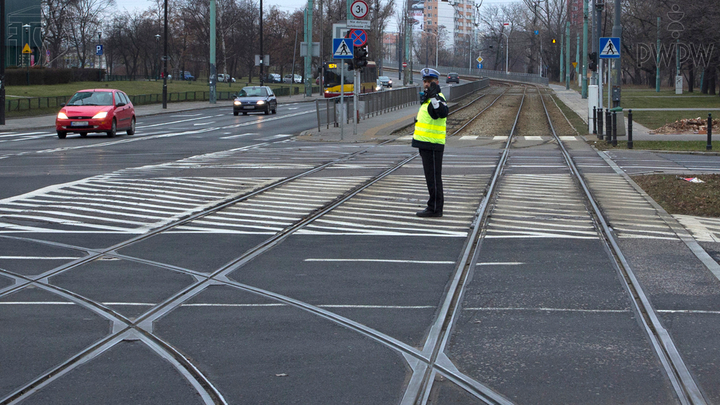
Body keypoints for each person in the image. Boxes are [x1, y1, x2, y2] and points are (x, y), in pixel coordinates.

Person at [412, 68, 449, 218]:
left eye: (430, 81)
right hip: (425, 144)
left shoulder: (438, 98)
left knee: (434, 177)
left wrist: (433, 98)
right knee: (431, 177)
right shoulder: (427, 98)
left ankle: (435, 208)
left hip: (433, 144)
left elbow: (443, 112)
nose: (427, 84)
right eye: (425, 81)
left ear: (437, 82)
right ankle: (433, 206)